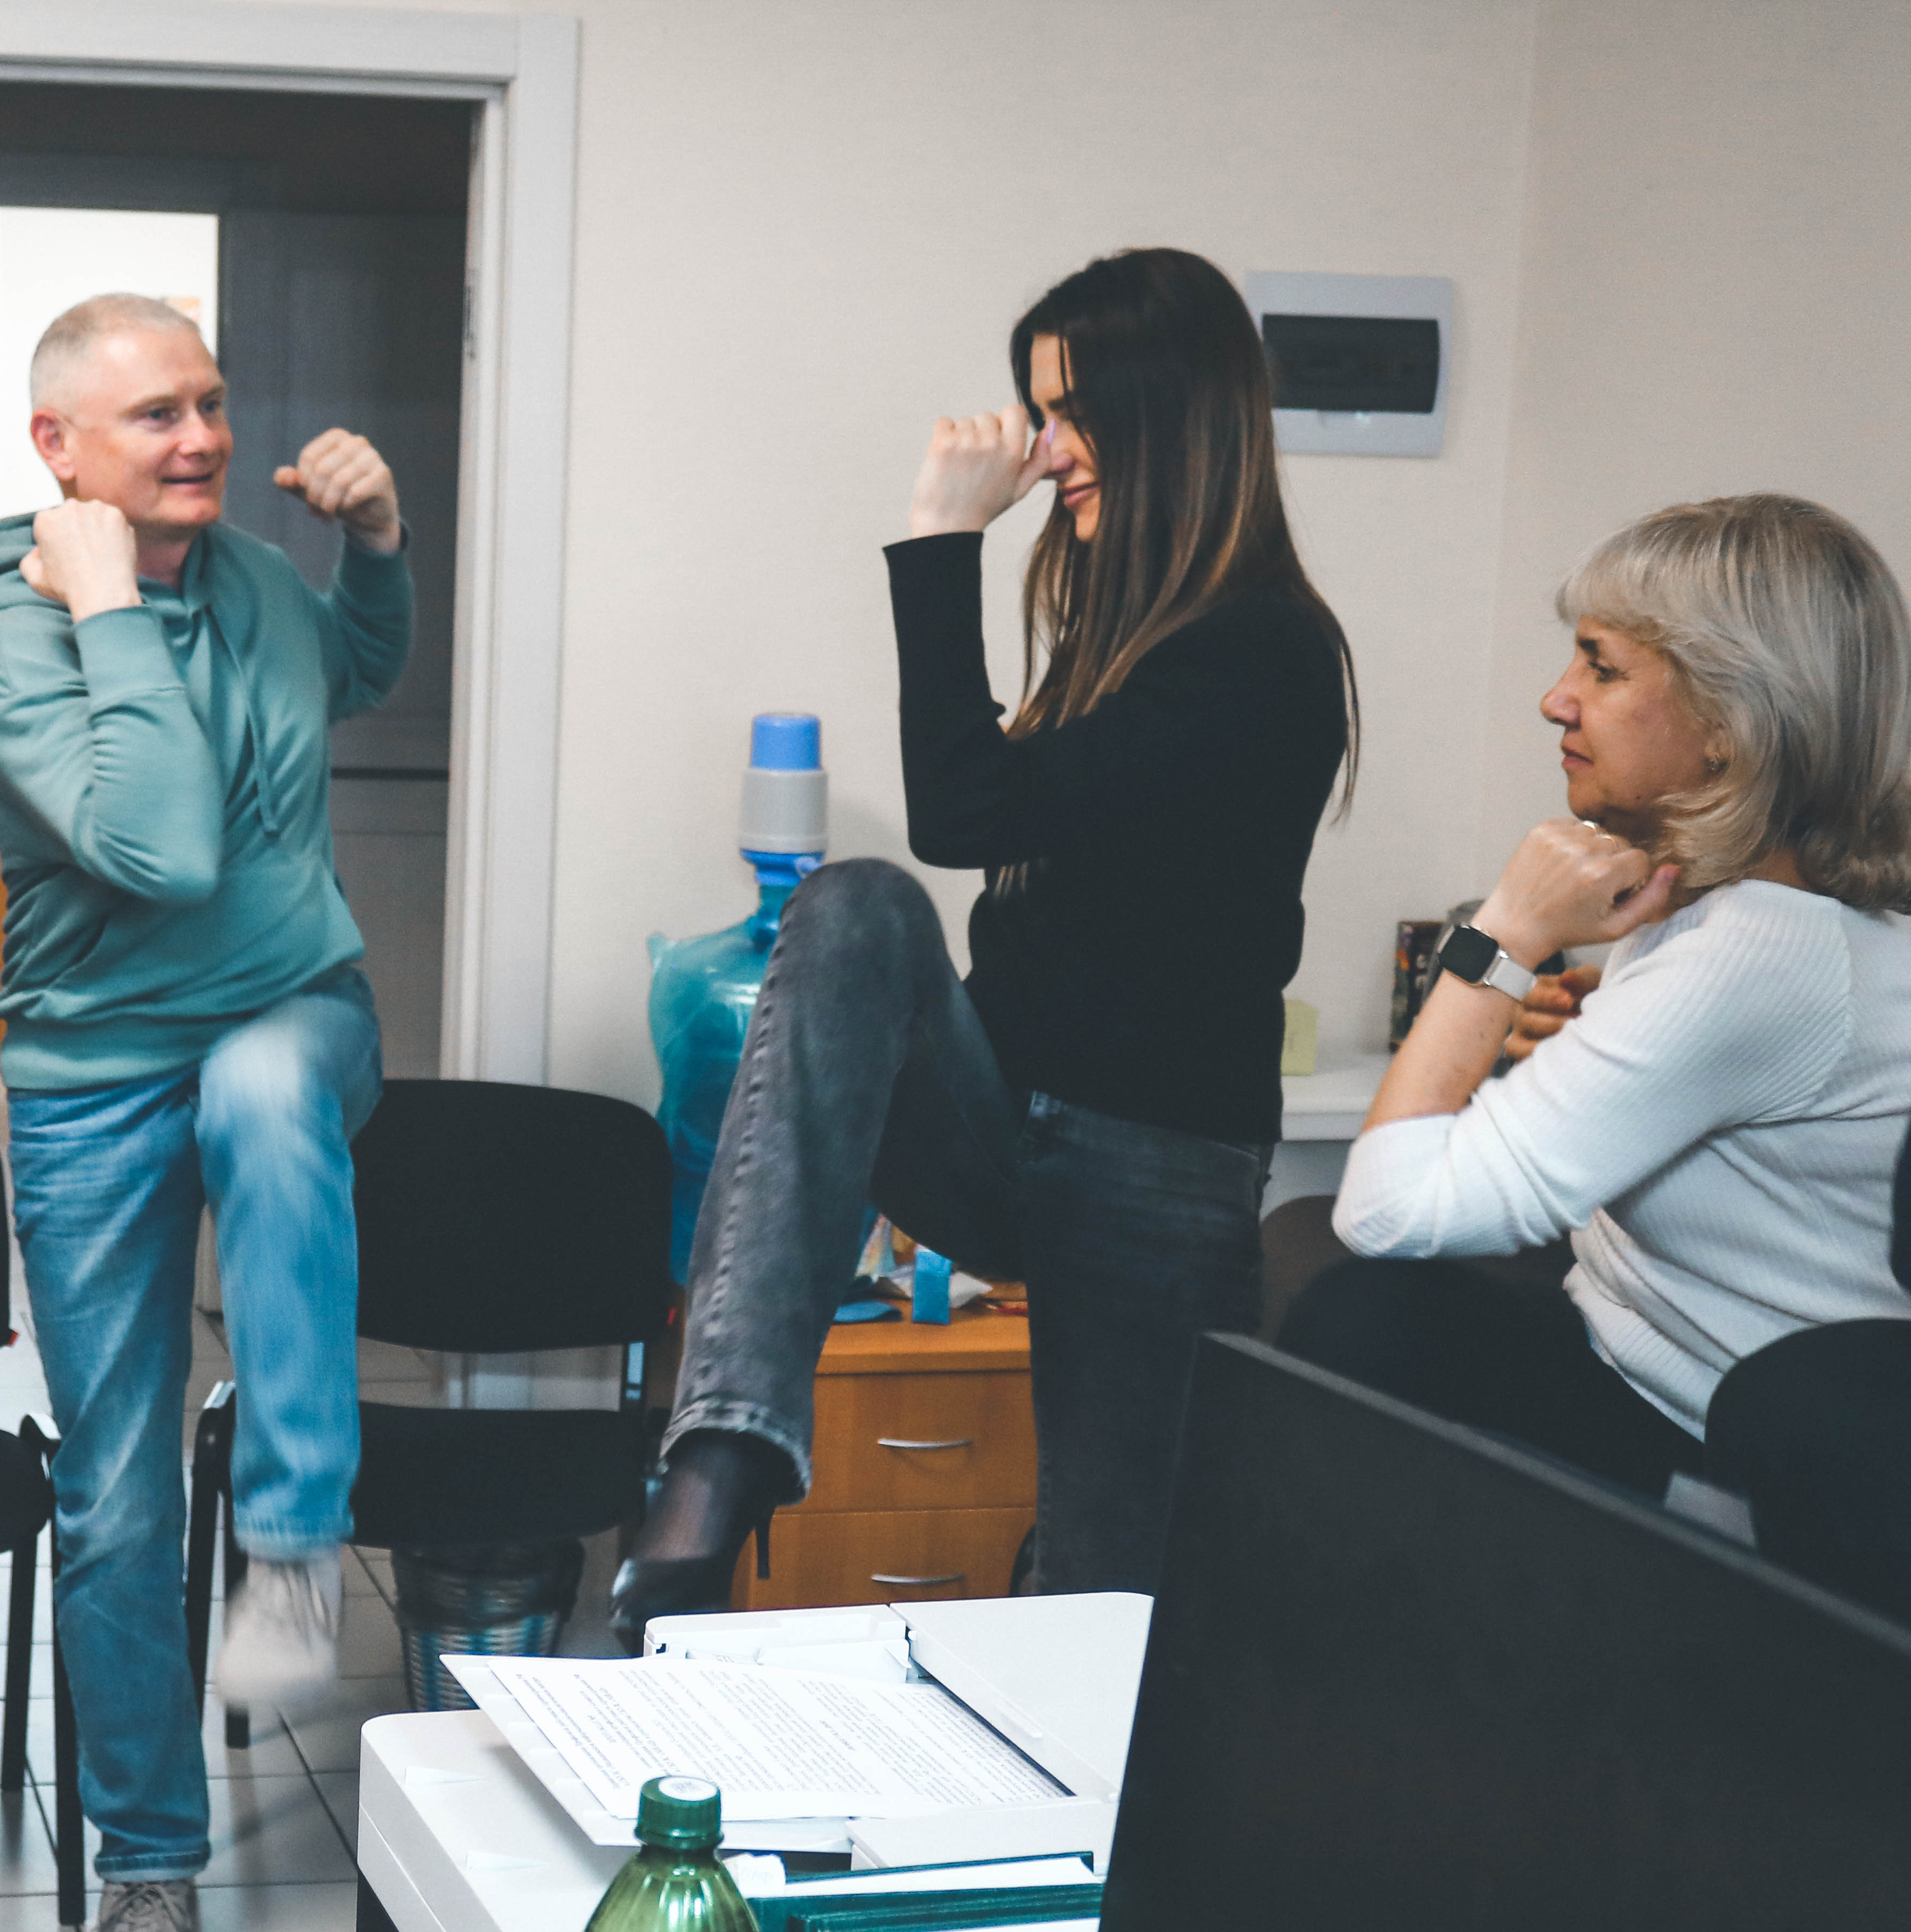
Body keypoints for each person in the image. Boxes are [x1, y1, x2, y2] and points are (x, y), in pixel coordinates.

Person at [615, 248, 1357, 1635]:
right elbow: (963, 848)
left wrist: (941, 539)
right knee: (852, 907)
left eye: (1070, 413)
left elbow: (966, 809)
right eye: (1040, 411)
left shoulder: (1261, 650)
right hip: (1003, 1125)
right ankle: (720, 1461)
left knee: (1105, 1598)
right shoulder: (1114, 637)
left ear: (1168, 417)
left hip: (1155, 1162)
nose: (1049, 449)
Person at [0, 293, 408, 1932]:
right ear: (60, 449)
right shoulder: (10, 642)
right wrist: (104, 601)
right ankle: (145, 1860)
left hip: (292, 1007)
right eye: (157, 415)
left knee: (275, 1091)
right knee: (120, 1488)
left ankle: (292, 1539)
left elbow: (357, 668)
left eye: (212, 402)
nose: (205, 437)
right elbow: (156, 836)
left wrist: (374, 545)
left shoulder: (259, 587)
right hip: (93, 1081)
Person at [1285, 493, 1911, 1506]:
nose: (1556, 699)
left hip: (1714, 1440)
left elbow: (1388, 1211)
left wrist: (1502, 938)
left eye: (1603, 668)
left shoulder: (1759, 950)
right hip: (1631, 1348)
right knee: (1315, 1265)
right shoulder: (1724, 903)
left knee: (1359, 1310)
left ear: (1729, 724)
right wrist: (1602, 1035)